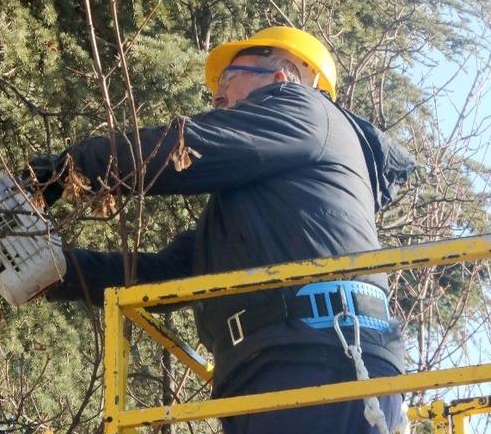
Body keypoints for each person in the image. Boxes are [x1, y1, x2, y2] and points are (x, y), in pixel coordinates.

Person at [32, 26, 416, 434]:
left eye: (228, 78)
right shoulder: (268, 206)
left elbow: (187, 147)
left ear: (283, 74)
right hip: (285, 364)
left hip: (319, 357)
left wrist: (65, 171)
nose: (217, 98)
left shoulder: (303, 108)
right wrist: (56, 270)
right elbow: (170, 273)